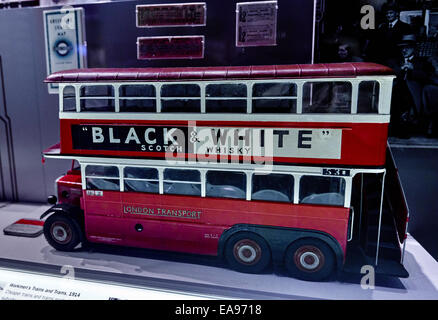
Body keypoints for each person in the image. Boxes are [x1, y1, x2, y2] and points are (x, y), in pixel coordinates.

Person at [387, 34, 434, 137]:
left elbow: (427, 77)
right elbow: (390, 73)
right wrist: (401, 69)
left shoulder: (422, 62)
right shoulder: (395, 61)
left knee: (406, 101)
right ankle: (396, 127)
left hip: (413, 91)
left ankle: (405, 127)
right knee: (396, 97)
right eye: (402, 48)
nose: (404, 50)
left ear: (413, 48)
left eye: (407, 47)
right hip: (396, 89)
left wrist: (413, 70)